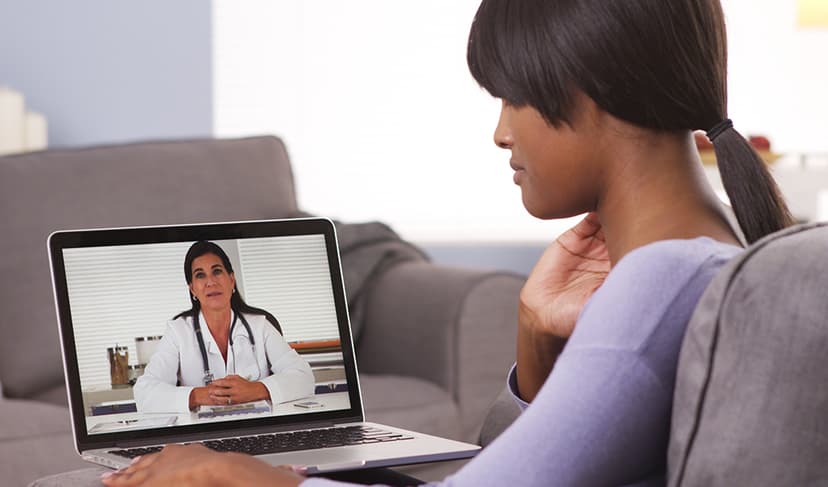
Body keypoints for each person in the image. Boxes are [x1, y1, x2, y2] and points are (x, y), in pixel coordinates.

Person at [104, 0, 793, 485]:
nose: (501, 132)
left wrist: (254, 479)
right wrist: (533, 340)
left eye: (511, 97)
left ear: (590, 90)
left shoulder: (658, 284)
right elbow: (503, 467)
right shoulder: (719, 250)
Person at [133, 241, 314, 413]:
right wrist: (197, 395)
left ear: (232, 279)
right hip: (202, 436)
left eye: (217, 271)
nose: (211, 282)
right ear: (193, 289)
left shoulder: (260, 325)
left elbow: (304, 377)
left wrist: (257, 389)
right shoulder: (178, 332)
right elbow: (144, 392)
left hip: (258, 428)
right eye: (200, 275)